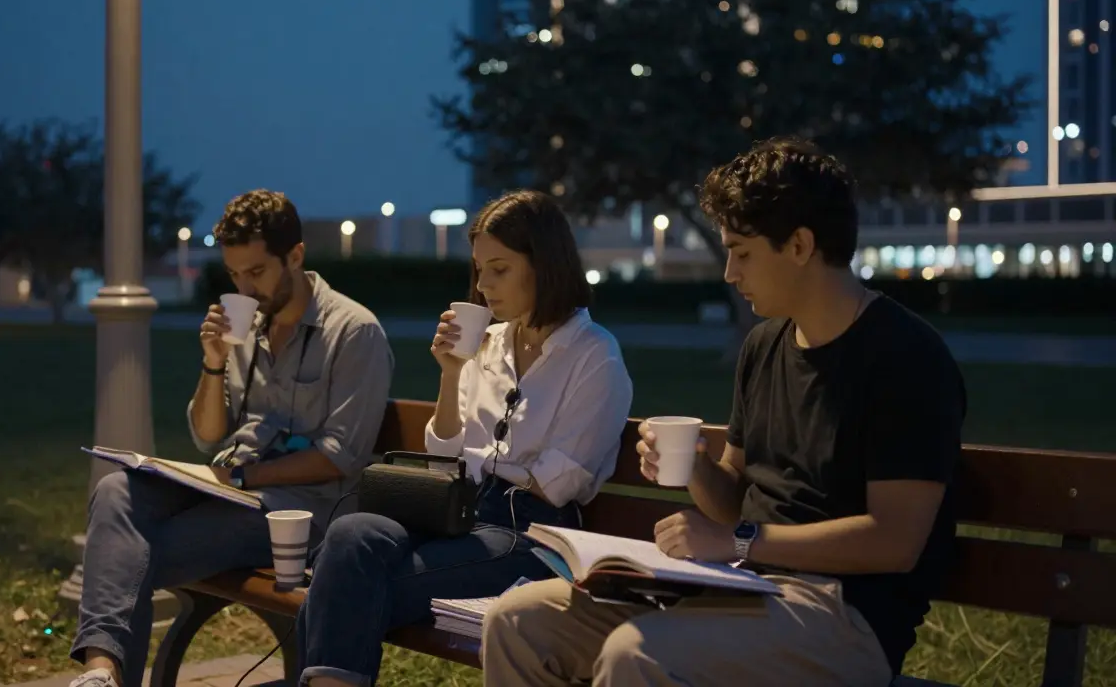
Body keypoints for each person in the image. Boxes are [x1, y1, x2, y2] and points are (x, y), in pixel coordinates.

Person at [481, 138, 967, 686]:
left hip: (842, 615)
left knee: (637, 653)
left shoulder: (905, 357)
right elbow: (734, 497)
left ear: (801, 245)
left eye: (743, 252)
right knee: (518, 622)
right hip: (737, 585)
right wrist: (697, 470)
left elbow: (895, 541)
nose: (731, 273)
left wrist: (740, 542)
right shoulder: (765, 346)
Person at [293, 189, 635, 686]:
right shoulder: (489, 344)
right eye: (478, 269)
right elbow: (443, 456)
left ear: (545, 264)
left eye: (499, 268)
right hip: (459, 515)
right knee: (350, 535)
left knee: (348, 580)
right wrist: (452, 373)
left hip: (532, 538)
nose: (482, 284)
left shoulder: (594, 356)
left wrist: (490, 467)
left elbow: (558, 485)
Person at [69, 189, 394, 687]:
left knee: (129, 553)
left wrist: (239, 475)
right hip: (228, 488)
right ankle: (102, 673)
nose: (245, 287)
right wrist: (214, 360)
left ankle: (106, 674)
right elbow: (207, 436)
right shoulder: (250, 329)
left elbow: (338, 457)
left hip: (297, 513)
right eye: (235, 274)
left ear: (296, 256)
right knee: (116, 490)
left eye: (257, 272)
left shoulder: (354, 331)